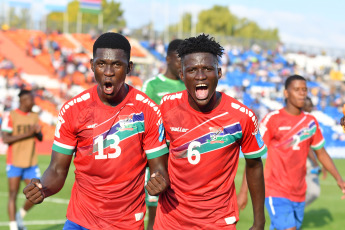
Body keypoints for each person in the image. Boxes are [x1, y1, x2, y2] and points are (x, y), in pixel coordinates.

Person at [23, 32, 169, 230]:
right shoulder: (73, 109)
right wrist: (43, 188)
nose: (108, 71)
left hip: (125, 223)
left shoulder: (148, 110)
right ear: (92, 65)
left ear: (129, 67)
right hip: (80, 221)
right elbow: (57, 170)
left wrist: (159, 181)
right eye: (101, 64)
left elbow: (159, 169)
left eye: (117, 65)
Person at [154, 34, 267, 230]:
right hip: (170, 219)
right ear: (182, 75)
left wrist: (259, 220)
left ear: (219, 72)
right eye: (192, 70)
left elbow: (254, 166)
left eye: (207, 69)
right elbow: (156, 154)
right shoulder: (166, 106)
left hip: (217, 222)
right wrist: (158, 175)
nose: (200, 76)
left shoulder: (242, 116)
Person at [260, 74, 345, 230]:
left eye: (304, 90)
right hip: (275, 190)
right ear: (286, 93)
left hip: (299, 192)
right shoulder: (272, 119)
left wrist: (339, 179)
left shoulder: (310, 122)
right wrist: (244, 192)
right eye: (297, 89)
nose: (302, 93)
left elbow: (321, 152)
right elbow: (255, 156)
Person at [141, 38, 185, 230]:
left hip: (181, 160)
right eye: (178, 59)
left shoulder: (189, 85)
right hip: (157, 159)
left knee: (180, 215)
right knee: (155, 216)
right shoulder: (152, 85)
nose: (182, 64)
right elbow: (143, 119)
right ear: (167, 59)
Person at [1, 89, 43, 230]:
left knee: (38, 192)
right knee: (13, 194)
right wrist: (29, 133)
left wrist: (37, 133)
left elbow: (40, 137)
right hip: (15, 161)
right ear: (22, 101)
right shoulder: (11, 115)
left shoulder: (34, 116)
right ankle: (13, 226)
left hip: (31, 162)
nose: (33, 102)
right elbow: (5, 139)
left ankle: (20, 216)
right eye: (30, 99)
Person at [303, 96, 327, 206]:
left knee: (314, 193)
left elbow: (318, 146)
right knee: (312, 192)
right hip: (302, 163)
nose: (311, 107)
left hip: (310, 163)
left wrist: (324, 164)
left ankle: (296, 210)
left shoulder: (311, 121)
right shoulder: (303, 122)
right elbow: (307, 146)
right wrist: (317, 164)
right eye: (309, 105)